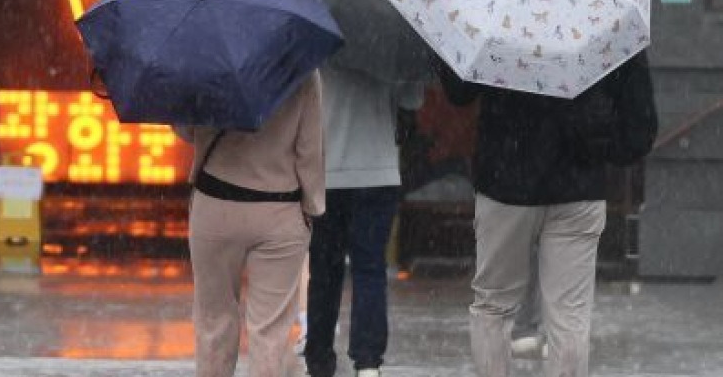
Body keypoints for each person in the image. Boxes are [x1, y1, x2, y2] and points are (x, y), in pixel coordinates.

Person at [435, 51, 657, 377]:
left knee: (493, 306)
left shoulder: (498, 11)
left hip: (505, 182)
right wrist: (598, 145)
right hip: (578, 185)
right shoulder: (607, 18)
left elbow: (459, 92)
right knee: (570, 316)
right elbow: (639, 129)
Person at [179, 70, 326, 377]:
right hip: (279, 205)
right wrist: (312, 206)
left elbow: (186, 130)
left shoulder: (209, 59)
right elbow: (310, 147)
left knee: (214, 322)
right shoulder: (302, 66)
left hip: (215, 202)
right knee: (269, 332)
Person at [303, 66, 424, 377]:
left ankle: (318, 356)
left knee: (324, 271)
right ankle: (368, 360)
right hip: (378, 170)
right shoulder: (390, 45)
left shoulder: (322, 44)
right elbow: (412, 103)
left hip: (327, 172)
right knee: (369, 269)